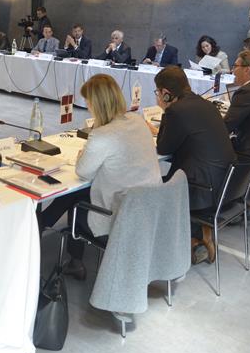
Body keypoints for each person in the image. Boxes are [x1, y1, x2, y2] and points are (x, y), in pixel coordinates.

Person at [38, 74, 162, 279]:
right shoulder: (137, 120)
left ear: (97, 103)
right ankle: (44, 224)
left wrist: (83, 152)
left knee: (76, 196)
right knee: (79, 192)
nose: (86, 105)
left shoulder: (103, 135)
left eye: (87, 101)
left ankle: (64, 249)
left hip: (119, 216)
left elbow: (82, 171)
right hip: (148, 209)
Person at [152, 66, 236, 264]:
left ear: (166, 93)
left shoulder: (176, 111)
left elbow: (164, 148)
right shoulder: (205, 104)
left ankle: (184, 239)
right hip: (224, 182)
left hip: (200, 187)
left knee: (152, 184)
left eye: (158, 92)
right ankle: (199, 233)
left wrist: (165, 111)